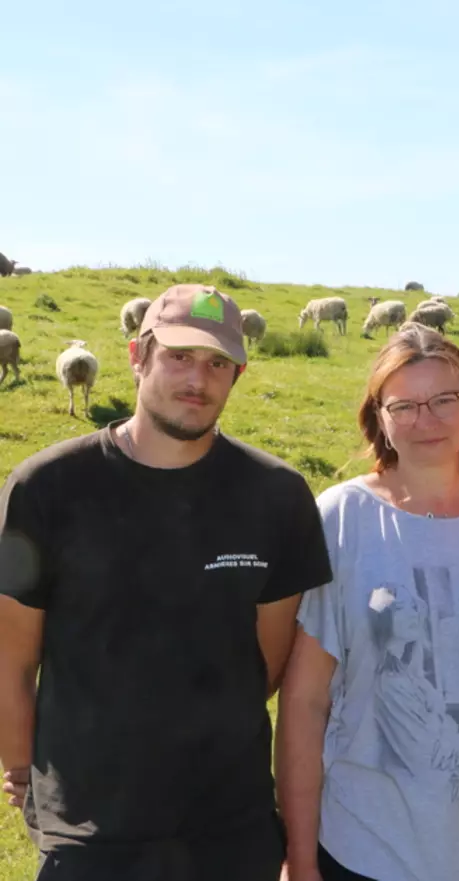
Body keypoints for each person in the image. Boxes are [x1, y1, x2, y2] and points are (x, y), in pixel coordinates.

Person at [0, 283, 332, 881]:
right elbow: (12, 656)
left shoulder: (276, 496)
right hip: (88, 832)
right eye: (179, 356)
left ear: (237, 374)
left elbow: (268, 664)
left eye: (217, 364)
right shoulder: (46, 487)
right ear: (136, 356)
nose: (197, 380)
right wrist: (23, 769)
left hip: (230, 829)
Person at [275, 324, 459, 881]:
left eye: (443, 399)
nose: (426, 419)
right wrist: (300, 856)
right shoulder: (342, 517)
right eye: (404, 405)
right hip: (374, 848)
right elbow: (305, 703)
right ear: (379, 416)